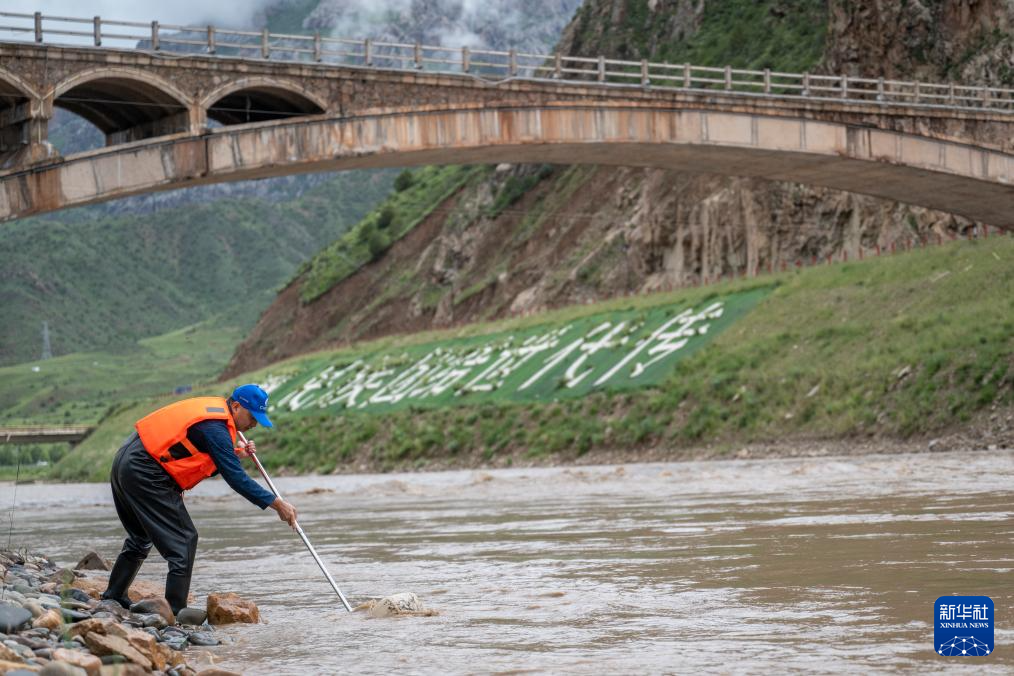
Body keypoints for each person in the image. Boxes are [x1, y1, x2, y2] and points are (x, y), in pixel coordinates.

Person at [101, 384, 298, 615]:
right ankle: (175, 612)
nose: (254, 424)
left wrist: (236, 454)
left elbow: (194, 454)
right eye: (252, 417)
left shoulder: (215, 419)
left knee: (140, 537)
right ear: (236, 407)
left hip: (127, 461)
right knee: (184, 539)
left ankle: (113, 597)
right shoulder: (216, 427)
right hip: (145, 469)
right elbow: (236, 478)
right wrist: (277, 504)